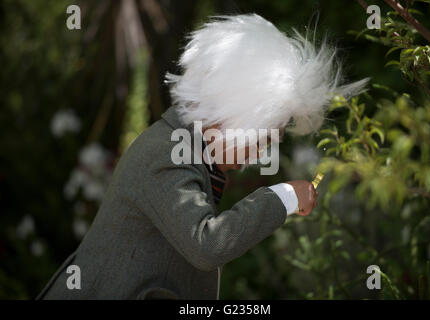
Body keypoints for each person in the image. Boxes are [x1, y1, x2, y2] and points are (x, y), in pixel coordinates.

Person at [36, 13, 367, 300]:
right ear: (228, 115)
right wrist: (285, 197)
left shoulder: (182, 147)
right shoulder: (166, 154)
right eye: (263, 136)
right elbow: (208, 246)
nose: (263, 151)